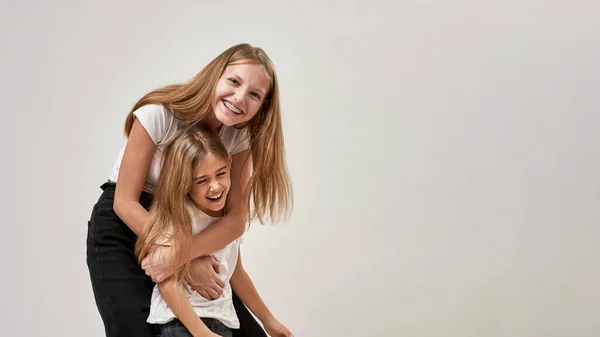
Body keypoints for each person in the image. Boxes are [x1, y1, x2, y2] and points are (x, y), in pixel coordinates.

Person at [86, 43, 292, 337]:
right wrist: (187, 257)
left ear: (263, 105)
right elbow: (124, 202)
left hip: (188, 225)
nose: (239, 98)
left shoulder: (239, 137)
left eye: (254, 95)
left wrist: (183, 255)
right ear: (215, 75)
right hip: (127, 224)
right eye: (234, 81)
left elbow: (235, 219)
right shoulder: (158, 115)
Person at [136, 127, 292, 337]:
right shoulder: (178, 216)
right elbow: (166, 281)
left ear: (229, 164)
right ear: (185, 181)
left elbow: (235, 272)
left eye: (220, 173)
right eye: (202, 180)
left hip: (221, 323)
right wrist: (201, 332)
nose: (215, 186)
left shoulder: (228, 222)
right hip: (181, 326)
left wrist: (268, 320)